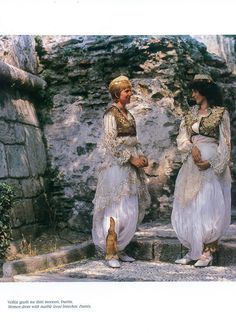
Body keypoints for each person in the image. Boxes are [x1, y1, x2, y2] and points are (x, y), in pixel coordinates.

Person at [171, 74, 231, 267]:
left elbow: (225, 142)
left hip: (210, 162)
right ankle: (194, 249)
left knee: (208, 203)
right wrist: (191, 147)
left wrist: (212, 162)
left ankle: (207, 251)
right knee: (191, 203)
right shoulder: (190, 114)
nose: (193, 94)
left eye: (196, 90)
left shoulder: (221, 113)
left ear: (205, 92)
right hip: (192, 163)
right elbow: (181, 139)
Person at [92, 75, 151, 268]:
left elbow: (134, 140)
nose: (130, 93)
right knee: (115, 207)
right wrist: (130, 158)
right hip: (117, 167)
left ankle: (120, 248)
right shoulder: (110, 114)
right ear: (117, 94)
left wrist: (141, 157)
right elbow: (110, 143)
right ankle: (110, 251)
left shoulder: (130, 115)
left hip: (131, 169)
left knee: (129, 207)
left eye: (130, 90)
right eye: (127, 91)